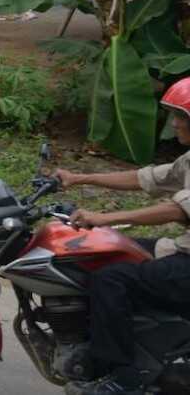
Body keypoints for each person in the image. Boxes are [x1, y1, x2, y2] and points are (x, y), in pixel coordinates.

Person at [54, 78, 190, 395]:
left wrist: (104, 218)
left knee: (111, 279)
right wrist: (80, 177)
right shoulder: (188, 159)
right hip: (180, 250)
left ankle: (124, 377)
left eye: (181, 116)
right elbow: (143, 178)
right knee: (101, 253)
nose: (174, 123)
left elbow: (177, 211)